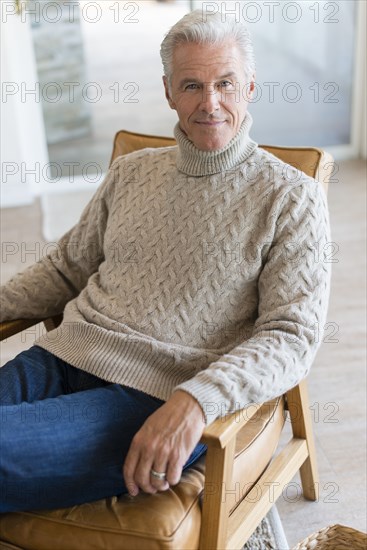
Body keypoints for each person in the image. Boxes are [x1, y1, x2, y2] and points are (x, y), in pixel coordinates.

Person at [0, 10, 331, 512]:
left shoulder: (291, 197)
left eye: (226, 83)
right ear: (168, 91)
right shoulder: (131, 172)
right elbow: (66, 268)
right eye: (192, 85)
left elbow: (292, 334)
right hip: (65, 355)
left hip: (158, 394)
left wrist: (197, 400)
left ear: (251, 88)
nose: (210, 102)